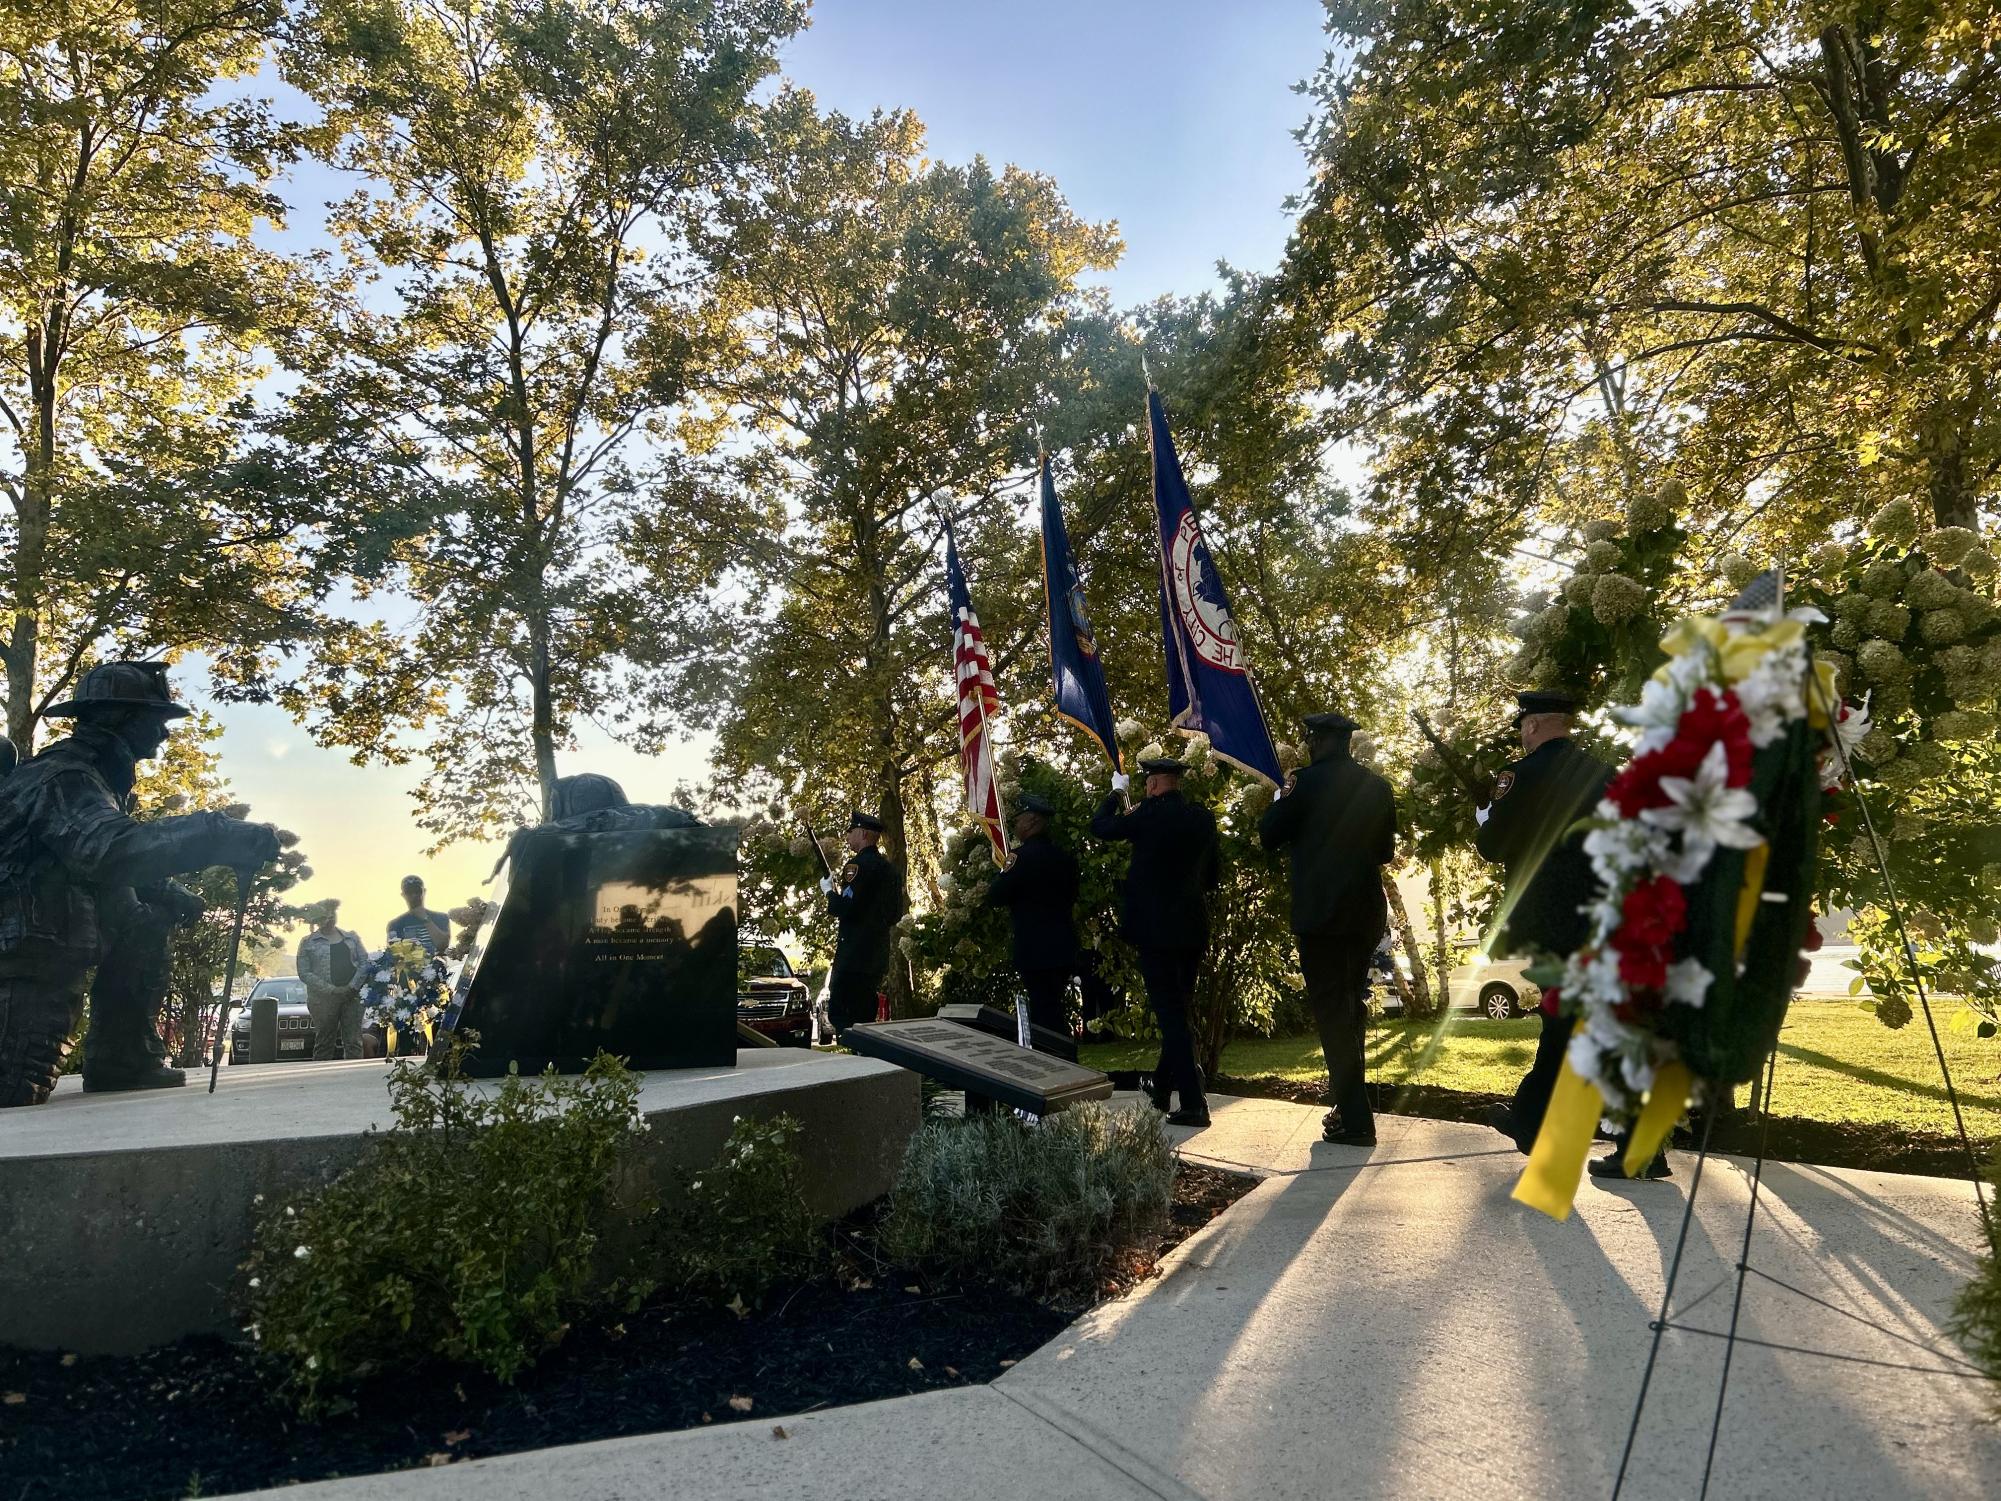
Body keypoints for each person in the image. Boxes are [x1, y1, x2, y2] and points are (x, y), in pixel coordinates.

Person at [0, 661, 279, 1104]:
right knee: (13, 1091)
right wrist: (216, 833)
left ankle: (121, 1056)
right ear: (119, 719)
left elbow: (86, 858)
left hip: (54, 938)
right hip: (23, 958)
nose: (165, 734)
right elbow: (106, 850)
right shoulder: (63, 777)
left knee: (150, 916)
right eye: (156, 720)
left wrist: (167, 891)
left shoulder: (95, 777)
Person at [1473, 691, 1656, 1177]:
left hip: (1551, 921)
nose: (1520, 734)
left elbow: (1493, 846)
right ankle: (1534, 1121)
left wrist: (1485, 818)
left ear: (1533, 727)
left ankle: (1551, 1124)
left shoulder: (1522, 774)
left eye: (1521, 727)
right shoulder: (1605, 773)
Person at [1259, 712, 1397, 1146]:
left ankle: (1356, 1120)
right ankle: (1347, 1106)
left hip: (1322, 915)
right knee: (1351, 1008)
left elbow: (1268, 834)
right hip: (1364, 914)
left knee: (1333, 1014)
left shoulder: (1303, 782)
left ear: (1315, 742)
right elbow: (1385, 851)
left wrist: (1280, 798)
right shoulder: (1376, 786)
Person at [1091, 756, 1221, 1128]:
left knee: (1172, 1015)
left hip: (1156, 930)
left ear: (1151, 785)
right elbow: (1212, 875)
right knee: (1179, 1011)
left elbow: (1099, 827)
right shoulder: (1201, 818)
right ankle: (1161, 1089)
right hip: (1193, 928)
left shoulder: (1146, 814)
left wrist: (1116, 795)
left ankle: (1194, 1103)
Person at [983, 792, 1080, 1045]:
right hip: (1062, 945)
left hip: (1034, 947)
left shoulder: (1020, 858)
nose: (1016, 825)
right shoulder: (1064, 857)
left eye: (1020, 819)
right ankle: (1061, 1057)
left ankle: (1058, 1061)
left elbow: (996, 895)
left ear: (1033, 821)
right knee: (1053, 1006)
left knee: (1044, 1012)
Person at [821, 811, 904, 1041]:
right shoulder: (891, 870)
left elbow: (845, 908)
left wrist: (829, 892)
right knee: (865, 1015)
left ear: (864, 833)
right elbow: (895, 913)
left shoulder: (855, 866)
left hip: (852, 956)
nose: (848, 836)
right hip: (875, 954)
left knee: (844, 1016)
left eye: (851, 831)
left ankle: (852, 1060)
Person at [298, 900, 368, 1060]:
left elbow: (364, 963)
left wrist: (352, 987)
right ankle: (321, 1079)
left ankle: (354, 1078)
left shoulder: (351, 938)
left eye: (332, 915)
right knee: (324, 1042)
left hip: (352, 997)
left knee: (354, 1041)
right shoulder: (308, 942)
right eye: (325, 917)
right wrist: (331, 990)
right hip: (323, 1001)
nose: (329, 920)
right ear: (317, 920)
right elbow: (304, 972)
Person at [386, 875, 449, 957]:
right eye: (409, 892)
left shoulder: (441, 918)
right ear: (403, 895)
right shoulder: (395, 924)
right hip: (410, 968)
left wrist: (425, 919)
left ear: (424, 891)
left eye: (417, 891)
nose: (414, 895)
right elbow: (394, 955)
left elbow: (442, 946)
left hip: (437, 967)